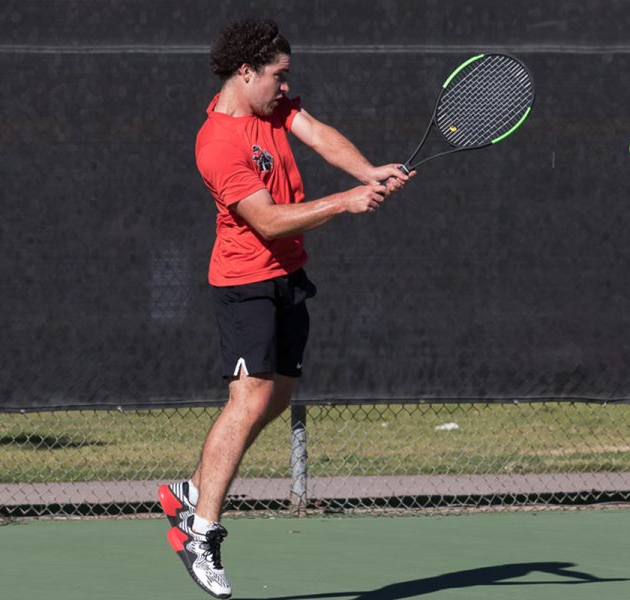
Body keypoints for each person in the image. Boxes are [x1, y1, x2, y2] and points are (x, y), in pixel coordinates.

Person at [157, 17, 412, 599]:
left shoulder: (271, 109)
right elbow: (267, 220)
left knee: (280, 394)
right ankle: (200, 529)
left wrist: (366, 171)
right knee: (246, 401)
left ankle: (190, 491)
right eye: (278, 75)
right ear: (244, 72)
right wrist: (347, 201)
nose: (283, 85)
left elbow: (316, 132)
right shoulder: (218, 143)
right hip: (245, 282)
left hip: (288, 276)